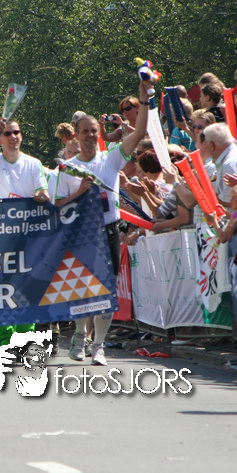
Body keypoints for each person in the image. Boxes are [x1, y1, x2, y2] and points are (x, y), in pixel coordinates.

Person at [54, 79, 151, 366]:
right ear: (76, 135)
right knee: (85, 289)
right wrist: (79, 192)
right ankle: (80, 335)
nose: (89, 135)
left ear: (99, 134)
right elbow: (56, 205)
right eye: (85, 131)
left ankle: (98, 345)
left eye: (94, 131)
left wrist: (144, 100)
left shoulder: (111, 159)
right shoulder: (68, 168)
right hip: (82, 232)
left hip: (109, 230)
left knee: (106, 290)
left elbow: (140, 133)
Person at [0, 117, 49, 352]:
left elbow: (43, 190)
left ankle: (24, 339)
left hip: (27, 239)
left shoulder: (33, 164)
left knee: (26, 291)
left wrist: (42, 196)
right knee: (1, 291)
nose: (13, 137)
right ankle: (4, 341)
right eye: (7, 134)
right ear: (0, 139)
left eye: (16, 132)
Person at [202, 123, 237, 212]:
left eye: (206, 143)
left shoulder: (230, 163)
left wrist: (201, 192)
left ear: (212, 145)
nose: (205, 147)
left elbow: (228, 200)